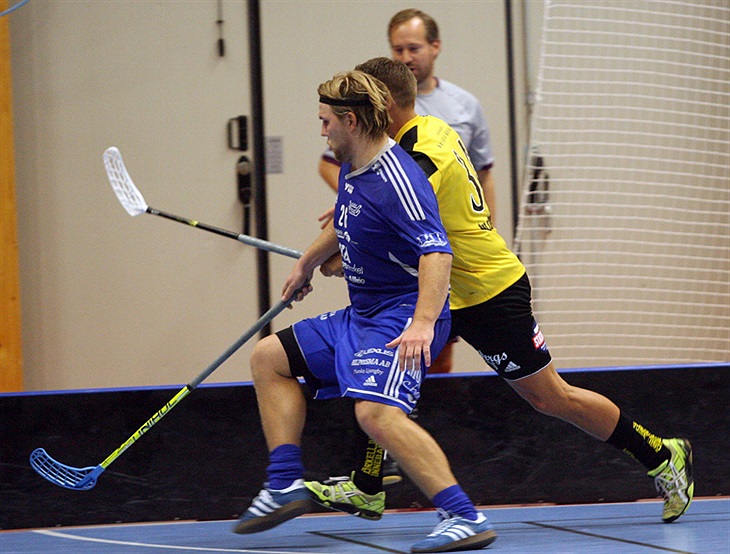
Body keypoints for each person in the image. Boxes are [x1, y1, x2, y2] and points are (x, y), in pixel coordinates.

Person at [304, 57, 694, 527]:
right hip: (435, 293)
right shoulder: (416, 135)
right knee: (379, 367)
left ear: (383, 103)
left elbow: (393, 217)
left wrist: (339, 256)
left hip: (485, 291)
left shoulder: (422, 153)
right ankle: (367, 486)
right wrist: (327, 250)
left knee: (551, 397)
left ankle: (661, 455)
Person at [232, 69, 497, 553]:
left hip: (401, 316)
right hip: (364, 314)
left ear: (350, 121)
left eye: (325, 121)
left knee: (375, 413)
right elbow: (346, 222)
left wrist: (422, 323)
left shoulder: (398, 178)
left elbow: (437, 251)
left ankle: (464, 516)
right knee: (268, 358)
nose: (321, 131)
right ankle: (284, 483)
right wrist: (307, 263)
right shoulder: (355, 165)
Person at [320, 9, 497, 375]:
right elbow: (333, 165)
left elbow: (482, 175)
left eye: (413, 48)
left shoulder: (463, 106)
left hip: (451, 255)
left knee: (435, 353)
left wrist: (487, 229)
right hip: (402, 260)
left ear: (435, 47)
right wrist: (363, 203)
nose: (405, 57)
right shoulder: (369, 106)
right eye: (397, 49)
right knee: (401, 353)